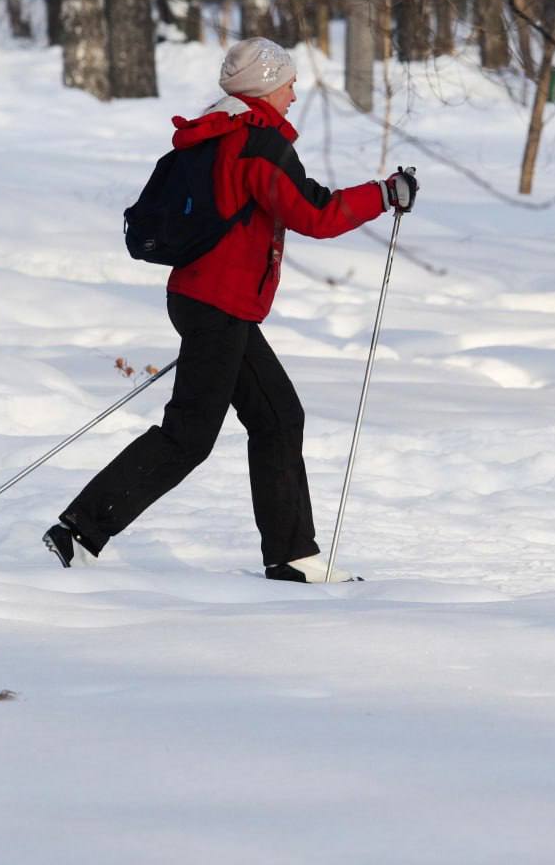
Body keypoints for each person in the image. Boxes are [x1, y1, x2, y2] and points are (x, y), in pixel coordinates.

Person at [43, 37, 418, 582]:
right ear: (267, 85)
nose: (294, 94)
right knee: (189, 436)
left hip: (208, 301)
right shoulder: (258, 145)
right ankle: (79, 531)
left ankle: (292, 556)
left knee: (278, 417)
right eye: (289, 82)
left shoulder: (214, 134)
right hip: (218, 304)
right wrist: (384, 194)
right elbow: (315, 213)